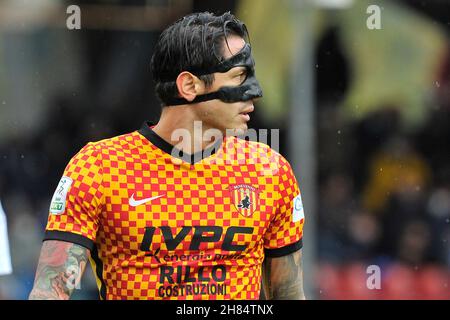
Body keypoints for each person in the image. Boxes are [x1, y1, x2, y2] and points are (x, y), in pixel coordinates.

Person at [29, 11, 306, 300]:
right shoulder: (99, 168)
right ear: (189, 86)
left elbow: (289, 294)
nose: (255, 93)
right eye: (239, 77)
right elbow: (50, 291)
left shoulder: (271, 172)